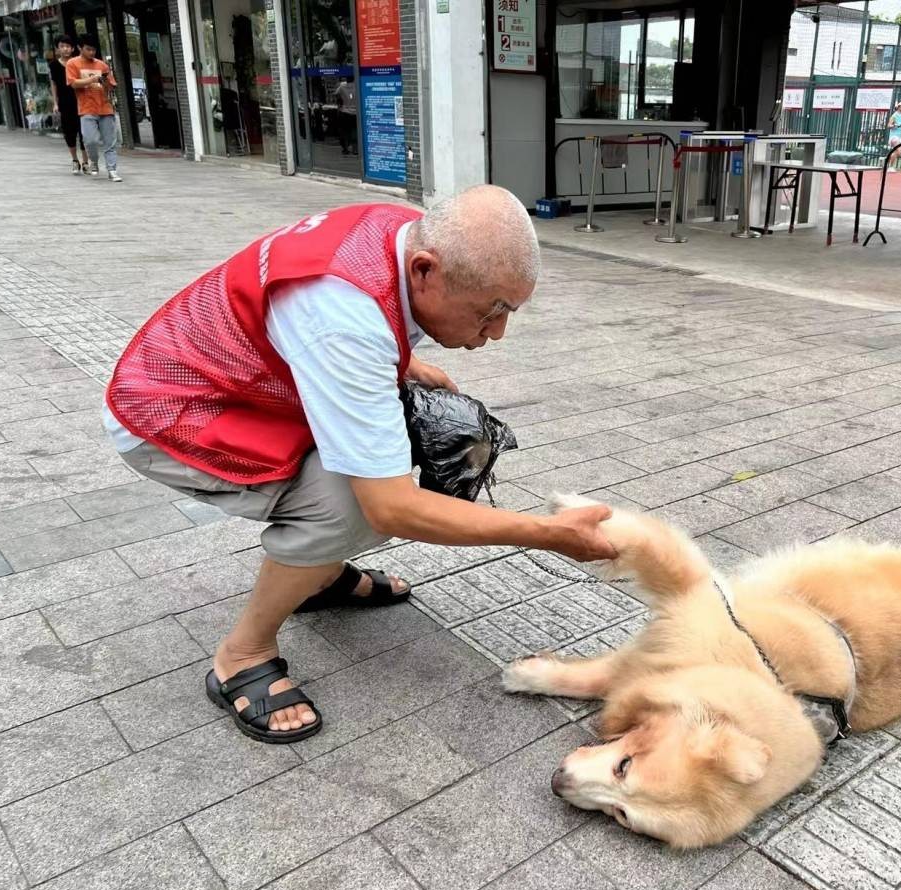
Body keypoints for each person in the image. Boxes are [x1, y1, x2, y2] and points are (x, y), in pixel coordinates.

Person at [103, 187, 617, 744]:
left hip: (248, 385)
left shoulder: (404, 232)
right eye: (490, 311)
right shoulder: (345, 321)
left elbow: (342, 321)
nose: (496, 333)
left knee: (405, 445)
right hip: (176, 413)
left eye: (508, 312)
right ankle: (241, 654)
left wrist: (402, 359)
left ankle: (317, 576)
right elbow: (393, 507)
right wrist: (547, 534)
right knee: (353, 505)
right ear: (425, 271)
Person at [66, 34, 122, 182]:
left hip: (105, 107)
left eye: (94, 50)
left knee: (110, 141)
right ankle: (94, 161)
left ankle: (112, 170)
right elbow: (73, 83)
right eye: (88, 49)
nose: (92, 53)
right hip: (86, 108)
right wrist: (92, 79)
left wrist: (105, 81)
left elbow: (111, 86)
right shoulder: (72, 64)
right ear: (80, 48)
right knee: (90, 140)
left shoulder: (102, 65)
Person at [49, 36, 88, 174]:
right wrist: (55, 102)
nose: (65, 49)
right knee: (69, 133)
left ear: (72, 48)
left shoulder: (79, 62)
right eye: (62, 46)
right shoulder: (54, 65)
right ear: (58, 49)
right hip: (65, 103)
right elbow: (53, 84)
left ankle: (86, 162)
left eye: (68, 46)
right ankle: (75, 160)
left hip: (81, 100)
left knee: (84, 132)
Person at [334, 77, 356, 156]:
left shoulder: (342, 86)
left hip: (345, 112)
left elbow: (336, 94)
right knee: (355, 131)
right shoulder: (357, 85)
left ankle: (346, 149)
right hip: (355, 113)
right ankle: (355, 149)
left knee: (345, 132)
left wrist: (341, 101)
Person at [886, 102, 901, 172]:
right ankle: (890, 167)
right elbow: (889, 125)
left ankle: (887, 161)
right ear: (898, 107)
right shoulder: (894, 115)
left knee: (898, 153)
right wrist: (894, 126)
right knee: (897, 151)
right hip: (894, 136)